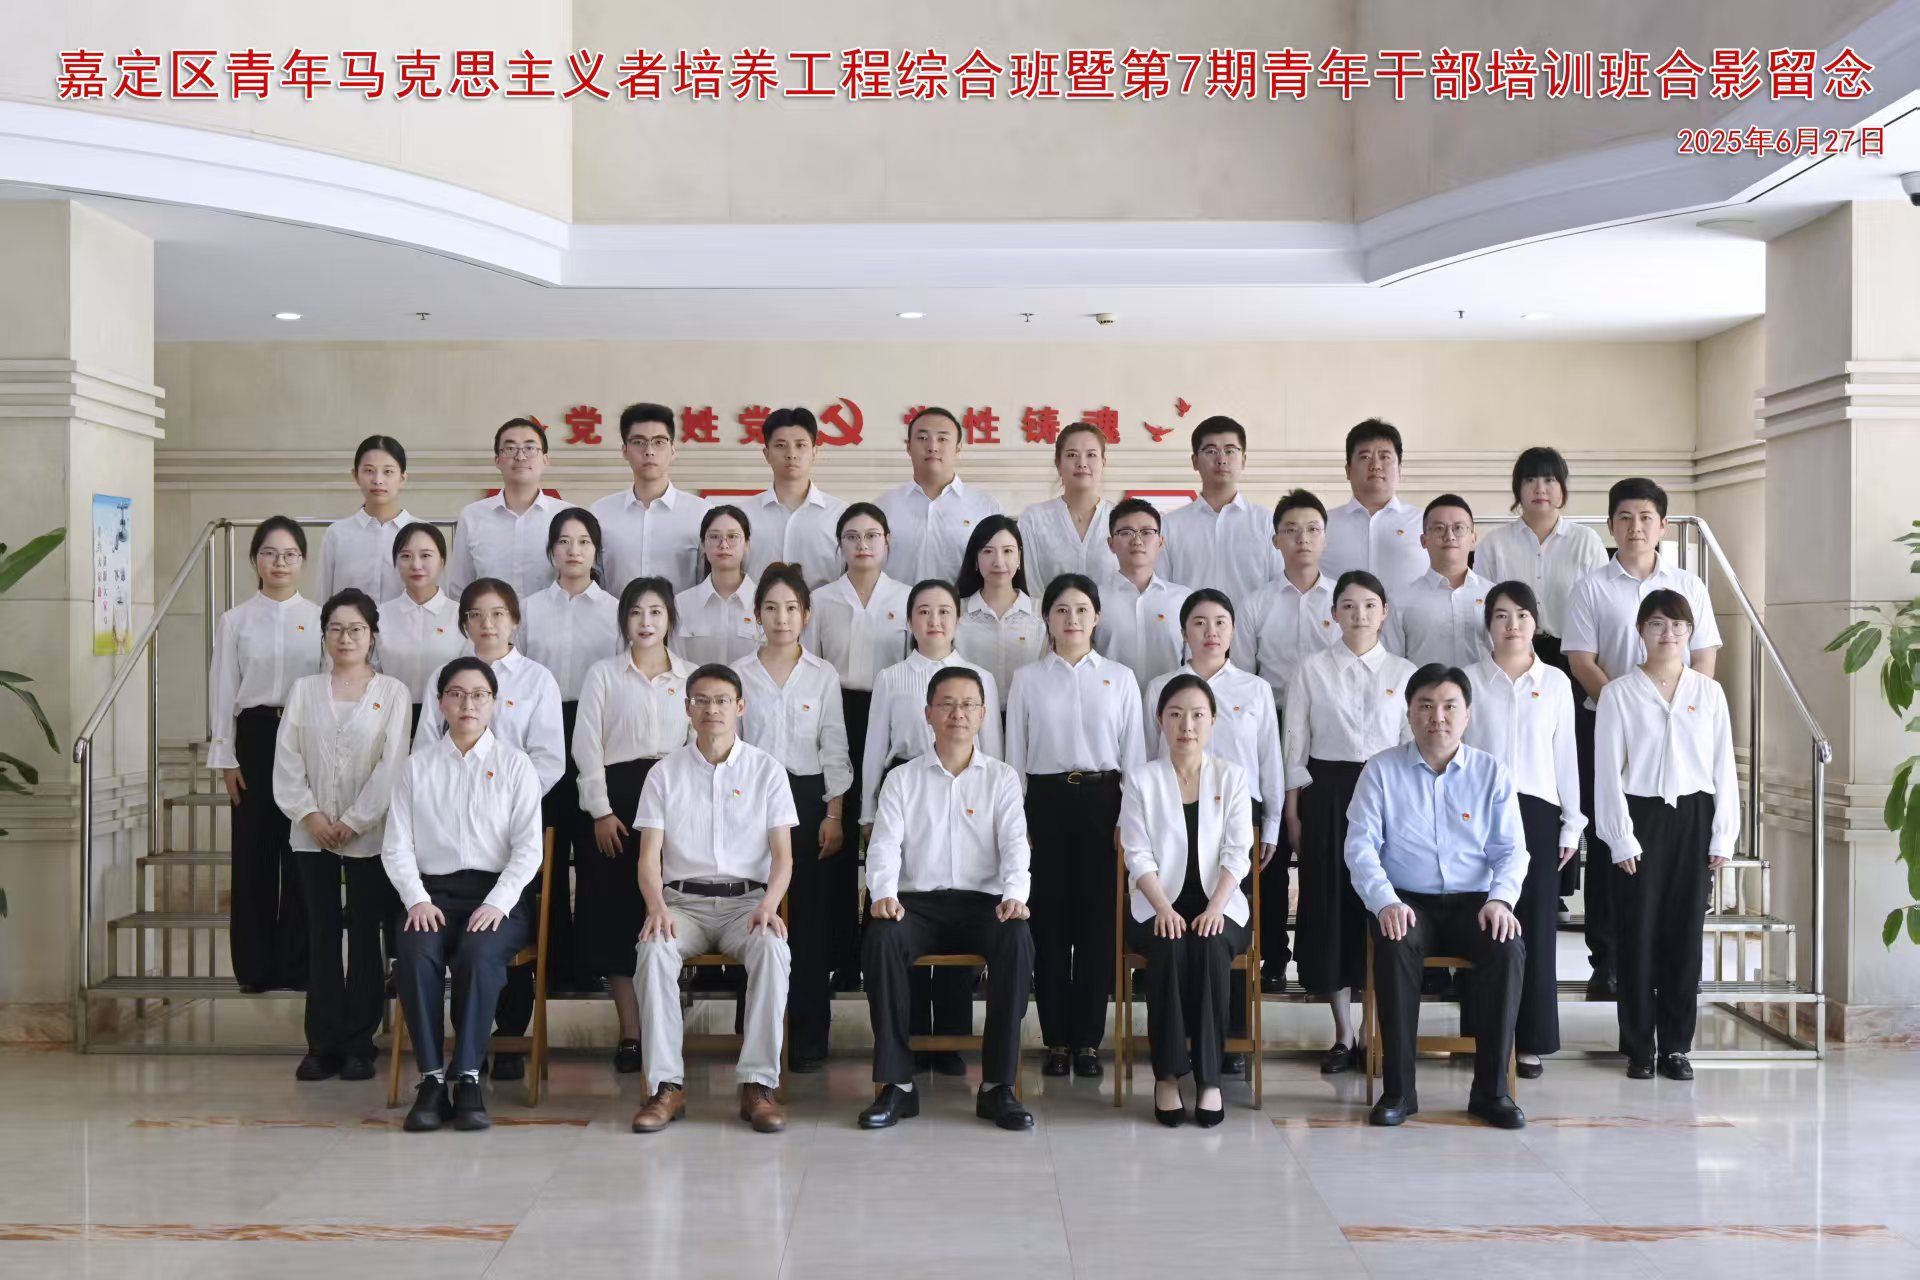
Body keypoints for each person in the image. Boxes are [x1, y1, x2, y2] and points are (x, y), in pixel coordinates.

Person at [1345, 663, 1530, 1130]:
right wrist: (1385, 901)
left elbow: (1512, 850)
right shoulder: (1380, 770)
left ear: (1467, 714)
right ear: (1409, 713)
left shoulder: (1491, 772)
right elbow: (1360, 847)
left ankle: (1491, 1093)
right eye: (1425, 706)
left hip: (1475, 902)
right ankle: (1399, 1091)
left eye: (1449, 706)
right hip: (1407, 901)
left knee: (1507, 946)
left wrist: (1501, 900)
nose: (1437, 717)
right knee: (1394, 942)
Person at [1562, 477, 1722, 1000]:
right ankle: (1606, 960)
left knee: (1672, 859)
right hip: (1607, 722)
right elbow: (1581, 660)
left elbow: (1704, 658)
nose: (1636, 527)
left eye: (1646, 517)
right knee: (1610, 841)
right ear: (1611, 525)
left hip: (1677, 732)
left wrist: (1674, 711)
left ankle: (1668, 969)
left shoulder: (1689, 586)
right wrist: (1627, 707)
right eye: (1625, 517)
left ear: (1663, 526)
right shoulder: (1591, 586)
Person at [858, 667, 1036, 1132]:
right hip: (917, 905)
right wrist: (883, 894)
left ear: (982, 714)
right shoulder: (902, 779)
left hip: (984, 904)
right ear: (928, 714)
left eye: (969, 704)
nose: (958, 713)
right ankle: (897, 1084)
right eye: (947, 704)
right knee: (881, 937)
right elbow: (884, 845)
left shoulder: (1001, 778)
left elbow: (1015, 843)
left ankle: (998, 1085)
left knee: (1017, 939)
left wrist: (1015, 895)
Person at [630, 665, 797, 1135]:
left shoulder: (766, 770)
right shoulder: (664, 773)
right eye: (701, 700)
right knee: (653, 950)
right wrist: (657, 908)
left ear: (740, 707)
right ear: (687, 708)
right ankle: (666, 1086)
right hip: (681, 904)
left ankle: (758, 1086)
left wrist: (769, 905)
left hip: (747, 904)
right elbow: (648, 858)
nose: (712, 709)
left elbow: (783, 858)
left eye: (722, 700)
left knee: (773, 948)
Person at [414, 577, 565, 1082]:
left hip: (512, 824)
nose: (488, 623)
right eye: (476, 615)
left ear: (515, 621)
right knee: (462, 943)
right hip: (449, 826)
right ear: (464, 624)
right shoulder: (444, 677)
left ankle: (511, 1038)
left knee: (504, 926)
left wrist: (505, 796)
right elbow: (424, 749)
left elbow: (550, 757)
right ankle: (464, 1052)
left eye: (498, 614)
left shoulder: (537, 679)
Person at [384, 657, 544, 1133]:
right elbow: (396, 846)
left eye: (479, 695)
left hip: (497, 897)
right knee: (415, 953)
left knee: (479, 953)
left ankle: (469, 1076)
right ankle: (432, 1080)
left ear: (494, 704)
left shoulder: (515, 765)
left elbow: (529, 849)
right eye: (456, 694)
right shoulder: (417, 767)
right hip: (430, 895)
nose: (467, 704)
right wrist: (416, 899)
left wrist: (497, 902)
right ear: (440, 704)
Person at [1593, 591, 1738, 1082]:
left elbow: (1723, 767)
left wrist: (1723, 835)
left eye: (1678, 625)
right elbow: (1607, 772)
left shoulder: (1709, 693)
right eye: (1657, 623)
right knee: (1637, 935)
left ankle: (1676, 1046)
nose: (1668, 633)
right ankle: (1639, 1046)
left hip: (1694, 817)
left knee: (1684, 937)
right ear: (1641, 630)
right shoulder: (1619, 693)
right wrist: (1619, 837)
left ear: (1690, 632)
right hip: (1640, 818)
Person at [861, 579, 1004, 1071]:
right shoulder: (892, 677)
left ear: (957, 620)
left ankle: (950, 1042)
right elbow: (875, 747)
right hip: (907, 788)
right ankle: (912, 1042)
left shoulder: (980, 677)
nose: (934, 620)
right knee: (909, 904)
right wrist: (867, 813)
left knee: (961, 892)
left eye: (944, 611)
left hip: (970, 786)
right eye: (923, 611)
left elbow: (994, 749)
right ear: (909, 621)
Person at [1006, 574, 1144, 1079]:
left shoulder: (1120, 678)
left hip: (1104, 803)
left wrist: (1129, 819)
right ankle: (1056, 1040)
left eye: (1082, 609)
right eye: (1061, 610)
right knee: (1047, 924)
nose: (1072, 619)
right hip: (1045, 802)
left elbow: (1135, 759)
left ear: (1097, 617)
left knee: (1096, 926)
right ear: (1046, 618)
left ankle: (1088, 1040)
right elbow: (1014, 757)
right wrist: (1017, 820)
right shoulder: (1027, 679)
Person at [273, 589, 410, 1082]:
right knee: (322, 933)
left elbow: (393, 764)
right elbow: (287, 757)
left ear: (372, 636)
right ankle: (322, 1043)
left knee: (367, 935)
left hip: (368, 835)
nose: (345, 638)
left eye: (356, 629)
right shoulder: (304, 690)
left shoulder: (392, 692)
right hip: (310, 835)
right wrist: (310, 815)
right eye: (335, 629)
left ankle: (359, 1043)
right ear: (324, 635)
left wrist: (355, 820)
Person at [1283, 570, 1416, 1071]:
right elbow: (1294, 745)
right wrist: (1293, 810)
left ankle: (1372, 1031)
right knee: (1330, 908)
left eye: (1369, 605)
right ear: (1334, 614)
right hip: (1327, 795)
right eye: (1349, 605)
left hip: (1389, 793)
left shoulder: (1404, 672)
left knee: (1380, 906)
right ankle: (1343, 1032)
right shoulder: (1310, 669)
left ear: (1384, 613)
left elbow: (1412, 745)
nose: (1359, 614)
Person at [1474, 447, 1609, 924]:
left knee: (1564, 756)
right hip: (1512, 649)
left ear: (1563, 489)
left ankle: (1557, 880)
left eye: (1550, 480)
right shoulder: (1495, 544)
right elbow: (1485, 607)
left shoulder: (1585, 542)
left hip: (1571, 657)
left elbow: (1596, 605)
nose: (1540, 489)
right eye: (1531, 480)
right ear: (1518, 490)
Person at [1143, 590, 1284, 1030]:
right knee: (1178, 921)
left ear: (1233, 630)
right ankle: (1182, 1031)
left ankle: (1231, 1035)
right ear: (1184, 631)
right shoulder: (1161, 687)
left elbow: (1270, 760)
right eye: (1199, 622)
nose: (1211, 631)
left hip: (1239, 815)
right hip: (1173, 812)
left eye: (1221, 622)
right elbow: (1145, 757)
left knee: (1227, 921)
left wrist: (1273, 823)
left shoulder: (1255, 689)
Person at [732, 565, 853, 1072]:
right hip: (751, 803)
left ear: (806, 614)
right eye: (770, 608)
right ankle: (757, 1036)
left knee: (809, 921)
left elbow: (834, 746)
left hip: (807, 800)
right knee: (757, 916)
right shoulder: (738, 672)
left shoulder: (823, 674)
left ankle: (808, 1035)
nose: (781, 618)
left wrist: (834, 812)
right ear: (756, 614)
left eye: (790, 608)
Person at [1121, 673, 1254, 1128]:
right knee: (1170, 943)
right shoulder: (1142, 779)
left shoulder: (1232, 777)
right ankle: (1167, 1075)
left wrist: (1215, 908)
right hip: (1157, 902)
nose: (1187, 725)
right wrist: (1163, 908)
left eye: (1197, 715)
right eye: (1176, 714)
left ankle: (1210, 1079)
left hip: (1222, 903)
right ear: (1161, 720)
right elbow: (1137, 854)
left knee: (1211, 945)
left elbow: (1237, 852)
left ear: (1212, 721)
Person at [573, 577, 694, 1073]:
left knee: (668, 914)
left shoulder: (689, 676)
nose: (646, 622)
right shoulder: (603, 674)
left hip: (675, 803)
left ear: (670, 619)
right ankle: (631, 1033)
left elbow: (699, 746)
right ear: (623, 620)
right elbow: (586, 745)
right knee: (617, 918)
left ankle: (667, 1031)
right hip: (617, 807)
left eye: (656, 612)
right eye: (636, 613)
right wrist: (600, 810)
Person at [1464, 582, 1585, 1078]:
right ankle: (1481, 1035)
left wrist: (1572, 824)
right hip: (1479, 813)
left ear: (1536, 622)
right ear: (1488, 625)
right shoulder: (1468, 680)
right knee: (1483, 924)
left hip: (1538, 813)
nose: (1512, 625)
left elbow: (1566, 755)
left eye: (1521, 615)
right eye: (1501, 616)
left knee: (1534, 926)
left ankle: (1530, 1039)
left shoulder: (1555, 682)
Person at [208, 516, 321, 993]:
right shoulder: (235, 620)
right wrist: (226, 758)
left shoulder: (320, 618)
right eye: (270, 553)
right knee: (253, 853)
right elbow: (222, 689)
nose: (279, 562)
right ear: (255, 559)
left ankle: (296, 965)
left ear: (303, 562)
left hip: (304, 736)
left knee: (300, 853)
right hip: (253, 737)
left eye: (290, 554)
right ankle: (254, 969)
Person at [806, 503, 912, 988]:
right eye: (852, 536)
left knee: (884, 832)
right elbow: (811, 668)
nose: (862, 544)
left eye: (872, 535)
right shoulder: (821, 599)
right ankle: (840, 959)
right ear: (840, 545)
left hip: (889, 712)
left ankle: (880, 949)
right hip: (835, 713)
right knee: (839, 833)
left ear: (887, 541)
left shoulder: (906, 597)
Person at [519, 508, 622, 994]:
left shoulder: (615, 610)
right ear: (551, 551)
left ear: (596, 551)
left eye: (583, 542)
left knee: (597, 856)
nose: (573, 550)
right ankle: (552, 965)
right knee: (545, 855)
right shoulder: (528, 609)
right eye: (563, 541)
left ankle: (592, 964)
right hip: (541, 731)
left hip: (597, 731)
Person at [1159, 416, 1274, 634]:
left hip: (1253, 641)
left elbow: (1276, 590)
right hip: (1191, 644)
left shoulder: (1267, 522)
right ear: (1195, 461)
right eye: (1211, 451)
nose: (1221, 459)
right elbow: (1163, 593)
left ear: (1243, 459)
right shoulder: (1170, 526)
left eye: (1230, 451)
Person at [590, 402, 712, 594]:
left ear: (673, 450)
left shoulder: (701, 513)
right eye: (638, 442)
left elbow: (707, 582)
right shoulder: (600, 513)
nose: (649, 451)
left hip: (682, 615)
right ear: (624, 451)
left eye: (659, 442)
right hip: (616, 614)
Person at [875, 407, 1003, 583]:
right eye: (922, 438)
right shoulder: (883, 507)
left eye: (942, 439)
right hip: (898, 602)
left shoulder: (986, 507)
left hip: (963, 602)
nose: (932, 447)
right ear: (908, 447)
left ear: (958, 448)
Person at [447, 418, 564, 599]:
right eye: (510, 448)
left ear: (545, 460)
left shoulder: (566, 516)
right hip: (488, 618)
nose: (520, 456)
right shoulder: (472, 516)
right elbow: (459, 589)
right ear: (497, 460)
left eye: (530, 448)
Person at [1381, 495, 1495, 668]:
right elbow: (1391, 666)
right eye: (1439, 528)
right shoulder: (1400, 601)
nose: (1449, 536)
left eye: (1458, 528)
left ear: (1473, 539)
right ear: (1424, 540)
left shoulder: (1494, 596)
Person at [1092, 498, 1191, 693]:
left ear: (1161, 542)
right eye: (1126, 532)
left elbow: (1194, 662)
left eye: (1146, 532)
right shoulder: (1094, 599)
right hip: (1111, 704)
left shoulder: (1183, 599)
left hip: (1171, 705)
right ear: (1111, 544)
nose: (1137, 541)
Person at [744, 407, 848, 588]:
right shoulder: (744, 514)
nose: (791, 454)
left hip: (824, 607)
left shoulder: (841, 514)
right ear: (766, 454)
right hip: (755, 607)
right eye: (780, 445)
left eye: (800, 445)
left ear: (814, 452)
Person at [376, 522, 463, 736]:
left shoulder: (460, 615)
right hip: (388, 721)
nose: (416, 565)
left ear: (442, 561)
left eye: (425, 555)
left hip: (448, 723)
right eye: (406, 556)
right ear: (395, 563)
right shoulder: (379, 616)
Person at [1323, 419, 1426, 594]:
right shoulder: (1323, 524)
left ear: (1399, 470)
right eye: (1365, 457)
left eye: (1385, 457)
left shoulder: (1424, 522)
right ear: (1348, 470)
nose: (1376, 466)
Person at [1017, 421, 1120, 591]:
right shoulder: (1034, 519)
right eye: (1072, 455)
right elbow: (1030, 586)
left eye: (1091, 455)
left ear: (1103, 463)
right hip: (1046, 609)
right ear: (1058, 464)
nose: (1082, 463)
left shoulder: (1121, 519)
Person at [953, 514, 1045, 702]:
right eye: (988, 551)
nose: (999, 562)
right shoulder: (956, 613)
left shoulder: (1042, 612)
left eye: (1008, 551)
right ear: (976, 559)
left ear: (1019, 557)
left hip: (1029, 711)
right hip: (970, 713)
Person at [317, 435, 415, 602]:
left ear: (402, 478)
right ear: (355, 475)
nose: (378, 480)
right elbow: (323, 599)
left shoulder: (423, 534)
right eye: (369, 471)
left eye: (388, 472)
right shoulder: (337, 534)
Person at [673, 505, 760, 666]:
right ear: (703, 544)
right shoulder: (682, 604)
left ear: (747, 543)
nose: (724, 545)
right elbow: (676, 664)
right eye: (714, 537)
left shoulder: (764, 603)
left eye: (732, 536)